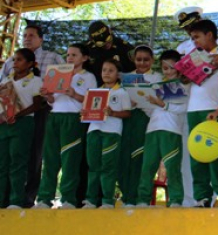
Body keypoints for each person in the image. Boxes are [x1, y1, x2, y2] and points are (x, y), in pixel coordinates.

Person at [0, 24, 64, 208]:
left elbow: (63, 80)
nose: (27, 38)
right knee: (5, 158)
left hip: (41, 109)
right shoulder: (10, 62)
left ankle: (26, 197)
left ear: (41, 39)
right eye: (24, 35)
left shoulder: (53, 57)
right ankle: (5, 196)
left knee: (34, 153)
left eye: (31, 35)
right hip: (6, 115)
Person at [35, 43, 98, 209]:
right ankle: (44, 198)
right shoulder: (58, 74)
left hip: (73, 119)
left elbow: (93, 102)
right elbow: (52, 100)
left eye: (74, 55)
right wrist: (47, 95)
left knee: (70, 160)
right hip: (54, 117)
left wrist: (74, 94)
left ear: (84, 58)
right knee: (50, 159)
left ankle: (68, 199)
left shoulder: (88, 77)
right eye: (68, 54)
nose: (69, 58)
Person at [185, 19, 218, 207]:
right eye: (192, 38)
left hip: (214, 108)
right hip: (193, 108)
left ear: (210, 35)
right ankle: (202, 196)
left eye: (197, 37)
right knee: (196, 153)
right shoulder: (194, 55)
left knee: (213, 152)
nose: (194, 41)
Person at [136, 49, 186, 208]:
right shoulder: (157, 85)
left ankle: (176, 200)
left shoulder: (183, 85)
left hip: (171, 130)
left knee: (172, 167)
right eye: (165, 68)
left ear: (179, 67)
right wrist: (141, 103)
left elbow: (182, 108)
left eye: (172, 68)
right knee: (147, 167)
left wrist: (162, 104)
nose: (169, 71)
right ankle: (143, 200)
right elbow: (152, 111)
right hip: (152, 130)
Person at [82, 58, 132, 208]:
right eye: (104, 70)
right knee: (93, 166)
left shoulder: (122, 92)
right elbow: (88, 110)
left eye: (111, 70)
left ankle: (107, 201)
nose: (106, 73)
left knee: (108, 167)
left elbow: (128, 113)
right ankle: (90, 200)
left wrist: (113, 113)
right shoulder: (95, 92)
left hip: (112, 132)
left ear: (118, 75)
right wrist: (85, 113)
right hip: (93, 130)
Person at [0, 48, 43, 209]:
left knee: (17, 162)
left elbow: (38, 105)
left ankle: (15, 200)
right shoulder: (5, 81)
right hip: (4, 124)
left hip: (23, 123)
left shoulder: (36, 81)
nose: (15, 63)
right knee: (2, 163)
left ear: (30, 63)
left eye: (19, 60)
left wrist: (17, 115)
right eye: (14, 60)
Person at [119, 46, 160, 206]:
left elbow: (161, 102)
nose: (142, 63)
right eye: (138, 59)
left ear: (152, 60)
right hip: (126, 119)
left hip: (146, 119)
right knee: (123, 158)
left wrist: (144, 102)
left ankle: (139, 197)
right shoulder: (126, 78)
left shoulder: (158, 77)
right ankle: (126, 196)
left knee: (140, 158)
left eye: (146, 59)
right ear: (133, 60)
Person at [86, 21, 135, 85]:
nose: (106, 45)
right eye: (102, 44)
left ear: (110, 31)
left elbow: (136, 70)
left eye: (109, 41)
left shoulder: (124, 47)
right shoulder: (87, 50)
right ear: (92, 41)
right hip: (96, 88)